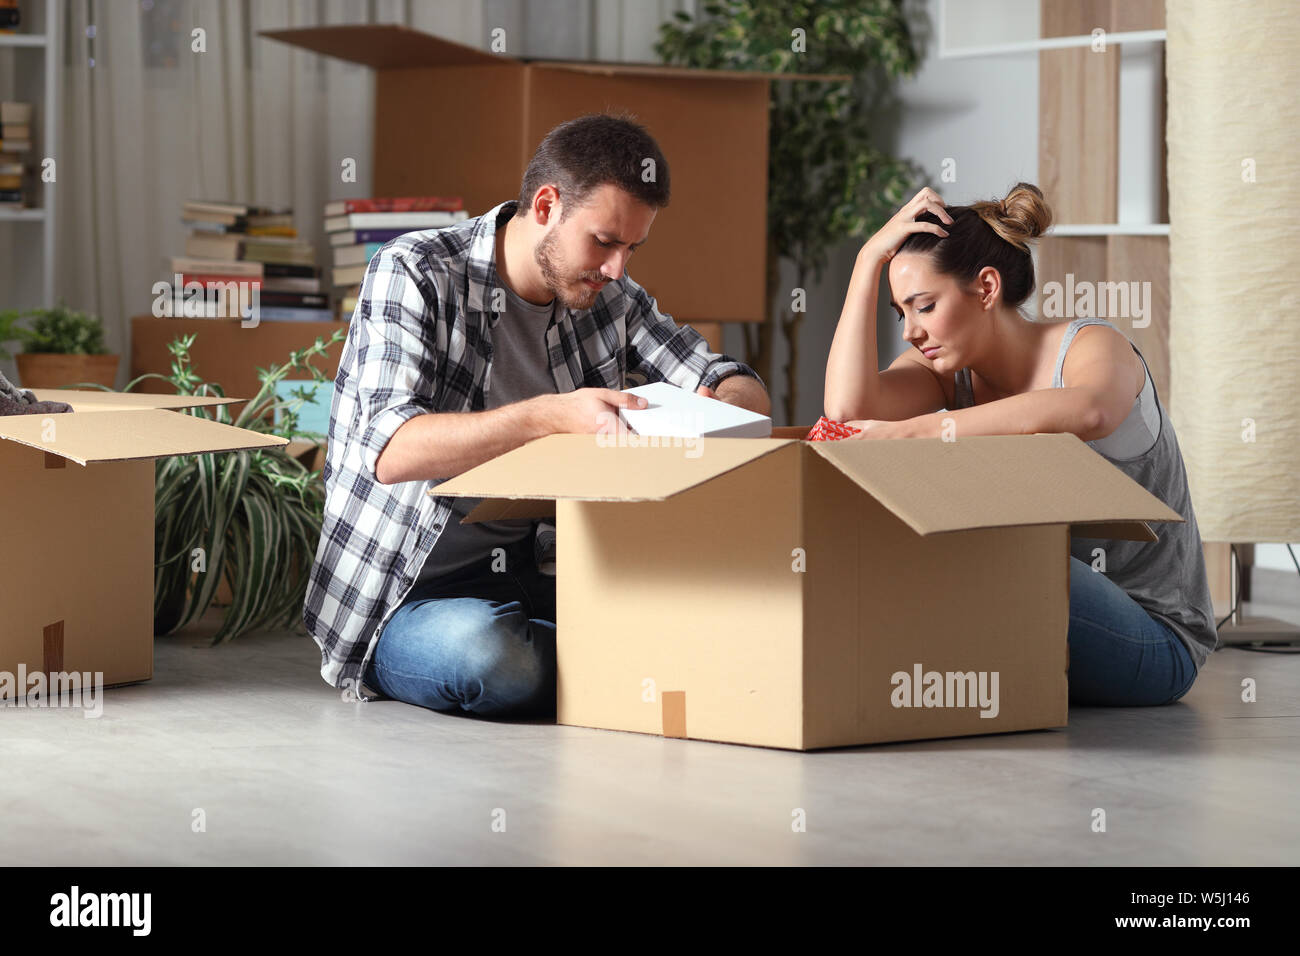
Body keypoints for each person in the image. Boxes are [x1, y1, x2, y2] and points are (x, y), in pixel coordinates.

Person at [303, 113, 770, 717]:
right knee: (497, 660)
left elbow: (735, 382)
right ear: (546, 205)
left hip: (542, 574)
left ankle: (628, 654)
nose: (617, 269)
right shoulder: (415, 271)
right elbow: (391, 451)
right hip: (407, 595)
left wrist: (722, 405)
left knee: (730, 604)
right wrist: (551, 416)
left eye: (632, 248)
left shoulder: (611, 299)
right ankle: (640, 657)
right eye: (604, 241)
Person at [823, 183, 1217, 707]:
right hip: (1038, 627)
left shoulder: (1090, 346)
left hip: (1156, 641)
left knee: (982, 545)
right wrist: (866, 259)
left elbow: (1090, 410)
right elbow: (848, 411)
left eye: (924, 306)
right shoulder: (946, 374)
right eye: (901, 314)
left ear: (986, 288)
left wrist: (921, 430)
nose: (911, 333)